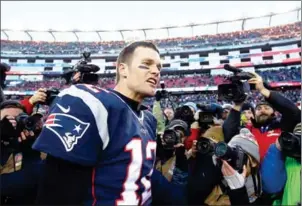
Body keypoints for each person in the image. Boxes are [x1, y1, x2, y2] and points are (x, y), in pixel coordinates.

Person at [33, 41, 163, 205]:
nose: (155, 72)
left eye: (159, 67)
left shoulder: (149, 119)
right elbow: (57, 189)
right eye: (146, 65)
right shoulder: (92, 102)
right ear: (123, 69)